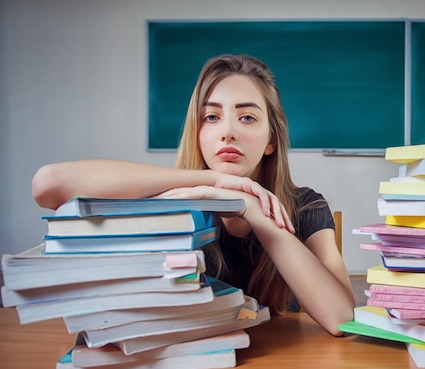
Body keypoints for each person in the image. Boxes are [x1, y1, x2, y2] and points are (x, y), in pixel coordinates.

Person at [32, 54, 355, 336]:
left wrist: (256, 213)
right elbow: (48, 185)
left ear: (271, 140)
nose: (228, 131)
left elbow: (341, 319)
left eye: (247, 117)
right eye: (211, 117)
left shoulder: (306, 205)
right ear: (197, 134)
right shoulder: (173, 195)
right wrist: (211, 180)